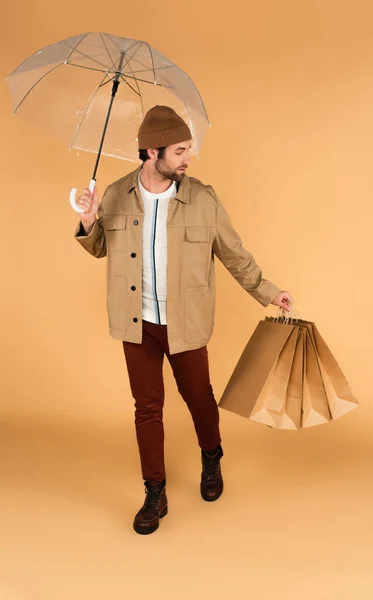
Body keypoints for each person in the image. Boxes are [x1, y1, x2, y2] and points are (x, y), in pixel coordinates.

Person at [73, 105, 294, 535]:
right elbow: (99, 248)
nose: (187, 158)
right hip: (136, 322)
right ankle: (155, 492)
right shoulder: (116, 195)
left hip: (185, 323)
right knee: (147, 408)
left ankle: (211, 457)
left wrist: (269, 291)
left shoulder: (203, 199)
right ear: (152, 152)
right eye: (179, 151)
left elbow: (233, 254)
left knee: (199, 398)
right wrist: (87, 221)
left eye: (187, 149)